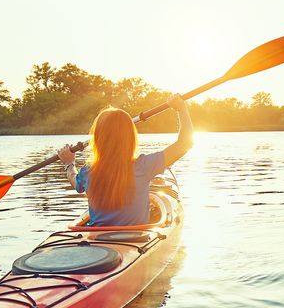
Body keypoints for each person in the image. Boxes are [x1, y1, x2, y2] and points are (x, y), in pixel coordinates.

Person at [58, 95, 194, 226]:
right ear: (130, 137)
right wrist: (181, 109)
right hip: (136, 239)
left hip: (97, 241)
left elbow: (76, 182)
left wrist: (69, 164)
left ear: (98, 139)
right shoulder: (144, 166)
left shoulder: (88, 171)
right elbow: (184, 144)